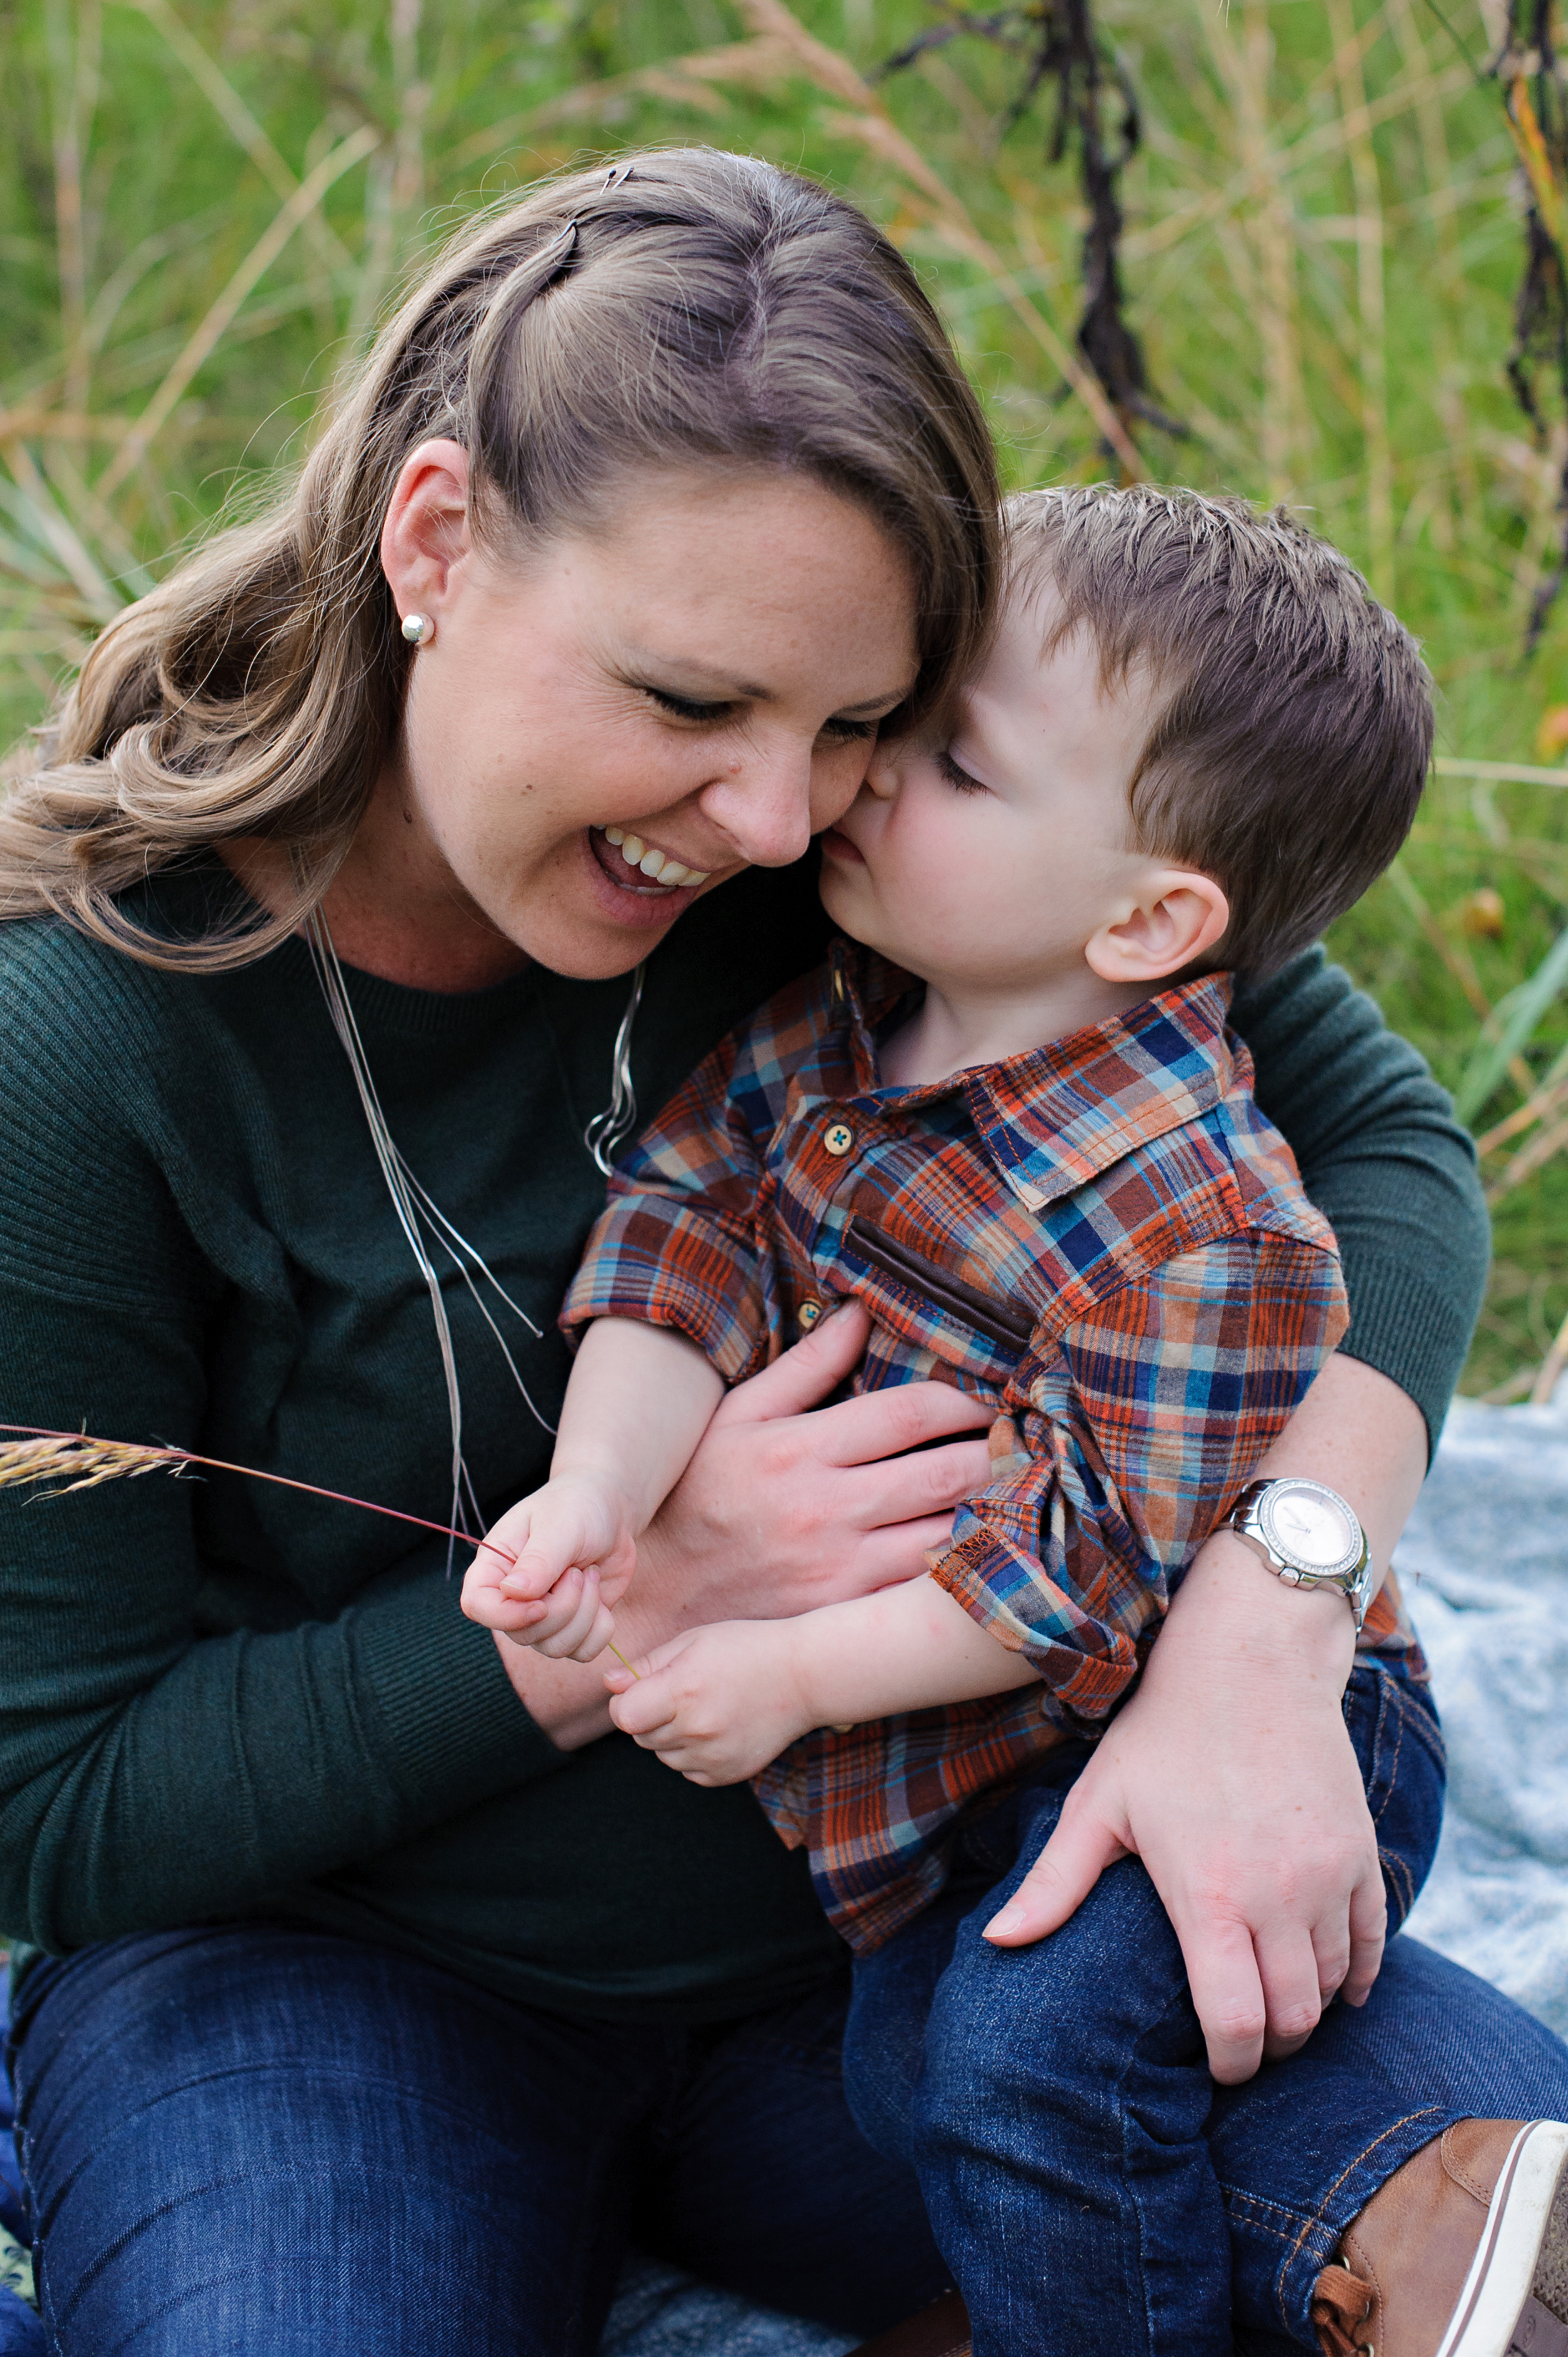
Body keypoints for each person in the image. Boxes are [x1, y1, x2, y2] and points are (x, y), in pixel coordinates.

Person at [0, 145, 1560, 2357]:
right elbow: (50, 1808)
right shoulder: (79, 1043)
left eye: (857, 724)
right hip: (330, 1987)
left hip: (923, 1922)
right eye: (688, 702)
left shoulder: (894, 854)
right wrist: (645, 1596)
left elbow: (1386, 1147)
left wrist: (1265, 1621)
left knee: (1486, 2246)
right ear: (434, 540)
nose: (769, 814)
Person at [460, 482, 1564, 2357]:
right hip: (965, 1772)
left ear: (1152, 915)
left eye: (951, 762)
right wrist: (602, 1488)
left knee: (1026, 2066)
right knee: (921, 2078)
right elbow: (683, 1235)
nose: (864, 778)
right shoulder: (838, 1025)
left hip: (1179, 1702)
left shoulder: (1206, 1229)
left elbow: (1068, 1579)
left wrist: (796, 1673)